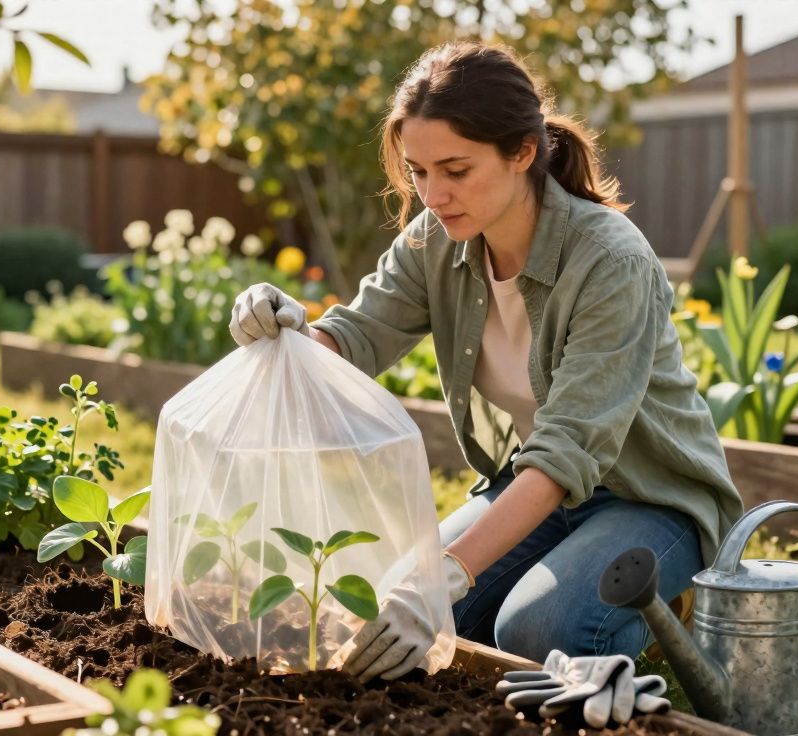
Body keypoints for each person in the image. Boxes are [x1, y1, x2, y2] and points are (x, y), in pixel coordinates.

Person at [229, 41, 743, 681]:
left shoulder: (611, 261)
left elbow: (567, 451)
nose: (433, 194)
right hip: (529, 491)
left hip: (648, 499)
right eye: (418, 171)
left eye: (455, 169)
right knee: (394, 613)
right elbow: (357, 336)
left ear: (523, 152)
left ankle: (669, 602)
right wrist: (283, 328)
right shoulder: (433, 243)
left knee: (535, 630)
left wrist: (448, 572)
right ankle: (563, 578)